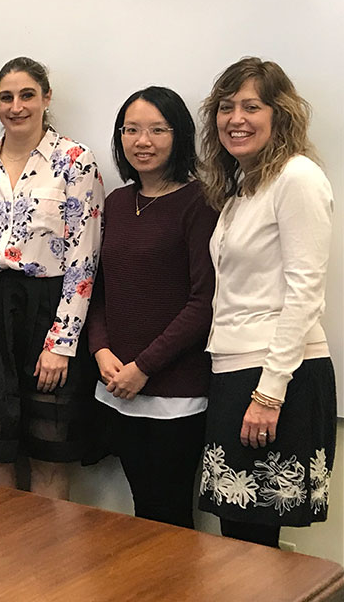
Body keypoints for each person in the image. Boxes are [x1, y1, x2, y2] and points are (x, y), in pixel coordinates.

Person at [0, 57, 104, 500]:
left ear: (46, 99)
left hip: (47, 313)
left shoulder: (74, 160)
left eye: (27, 95)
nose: (17, 106)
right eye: (6, 97)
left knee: (49, 450)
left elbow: (83, 259)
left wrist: (62, 343)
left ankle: (51, 567)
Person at [197, 57, 336, 547]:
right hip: (236, 370)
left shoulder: (297, 177)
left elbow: (305, 293)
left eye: (251, 106)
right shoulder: (243, 187)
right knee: (237, 539)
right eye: (226, 106)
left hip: (276, 377)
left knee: (253, 544)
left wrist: (269, 392)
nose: (236, 118)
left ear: (279, 115)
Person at [85, 86, 218, 528]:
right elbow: (98, 290)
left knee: (170, 518)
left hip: (174, 393)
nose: (143, 141)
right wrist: (101, 352)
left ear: (178, 135)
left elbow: (204, 303)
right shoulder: (118, 202)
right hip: (117, 387)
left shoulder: (200, 203)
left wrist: (143, 366)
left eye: (157, 130)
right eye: (132, 130)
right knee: (142, 514)